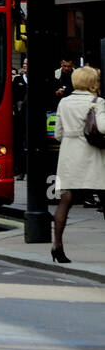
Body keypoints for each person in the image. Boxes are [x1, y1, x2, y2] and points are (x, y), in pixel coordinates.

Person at [49, 66, 105, 263]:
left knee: (66, 201)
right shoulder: (97, 102)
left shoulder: (63, 102)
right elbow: (103, 127)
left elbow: (57, 134)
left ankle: (57, 246)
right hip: (93, 157)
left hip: (68, 156)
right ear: (92, 82)